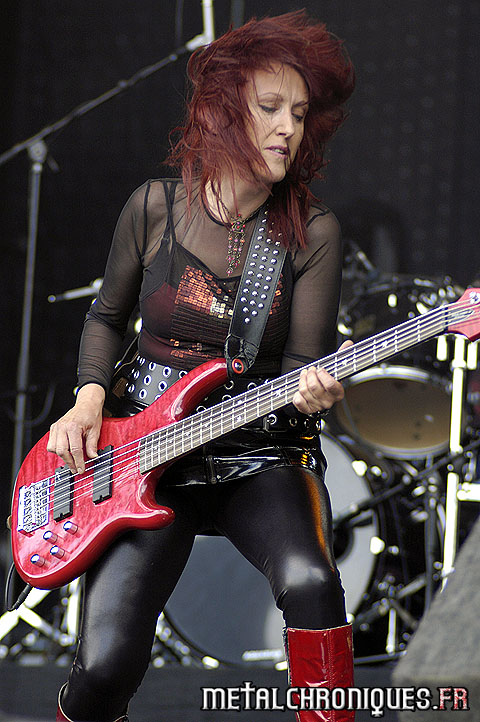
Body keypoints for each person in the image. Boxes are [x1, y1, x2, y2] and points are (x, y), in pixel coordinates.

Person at [47, 11, 356, 722]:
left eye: (299, 114)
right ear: (224, 111)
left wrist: (312, 391)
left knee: (313, 583)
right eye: (270, 108)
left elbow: (303, 368)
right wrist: (88, 398)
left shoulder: (312, 233)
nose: (288, 128)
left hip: (260, 452)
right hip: (146, 454)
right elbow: (105, 317)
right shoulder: (153, 207)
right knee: (104, 669)